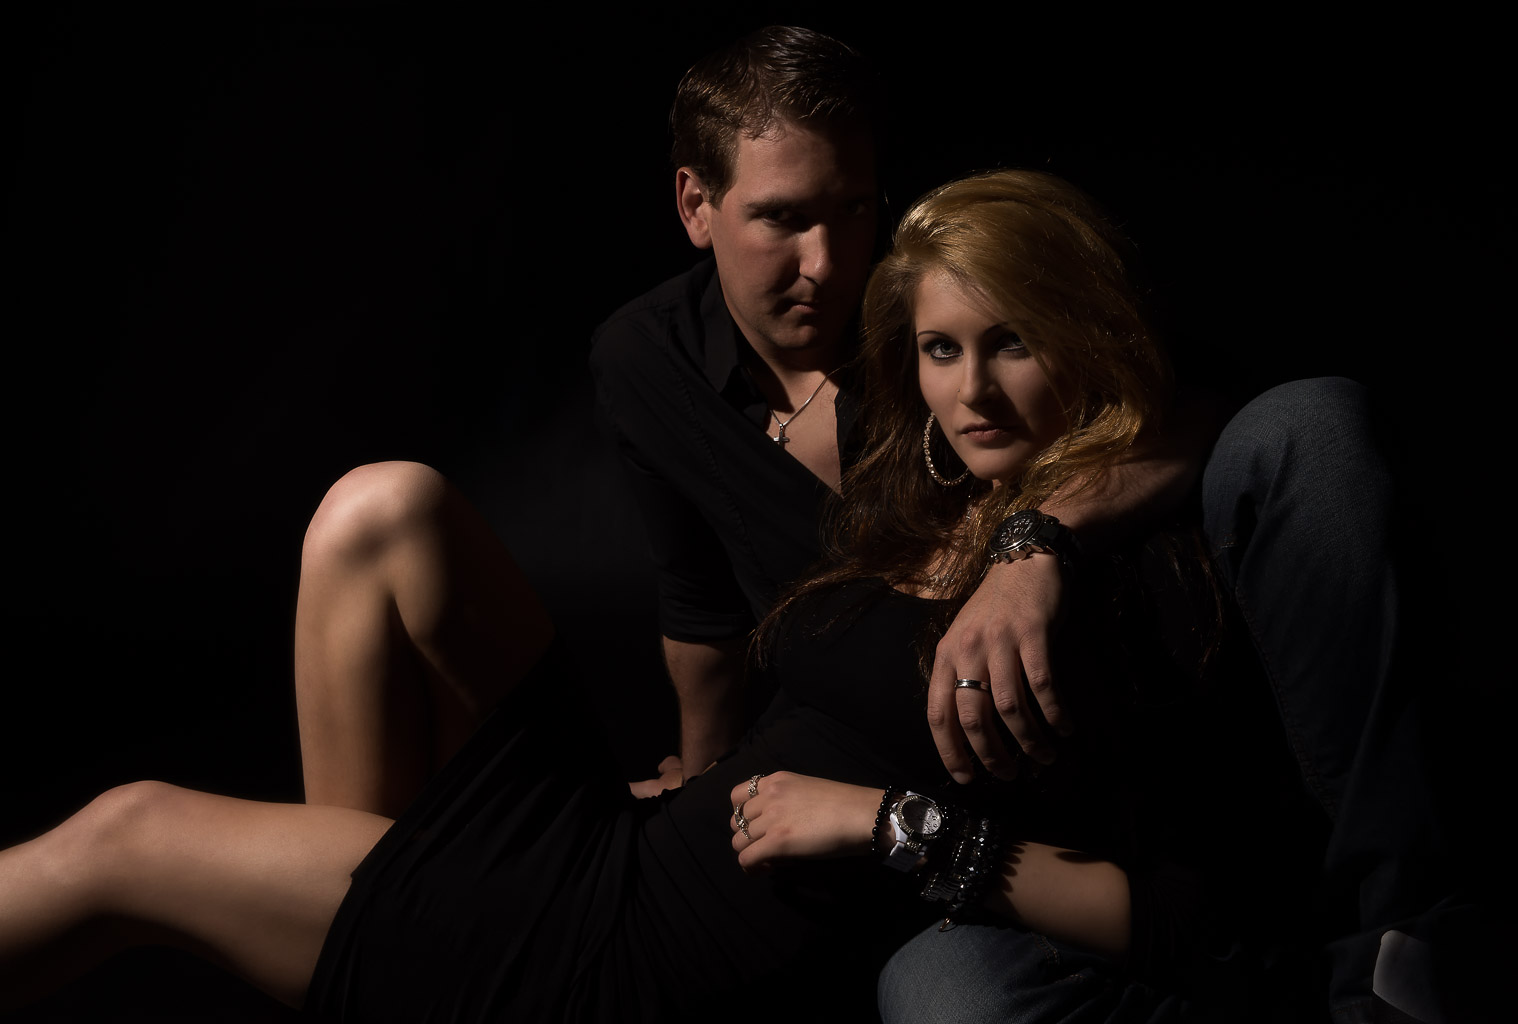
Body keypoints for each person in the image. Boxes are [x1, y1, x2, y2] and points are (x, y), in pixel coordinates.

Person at [0, 169, 1292, 1022]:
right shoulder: (949, 510)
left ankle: (394, 950)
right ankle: (394, 936)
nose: (971, 391)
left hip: (632, 973)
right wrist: (708, 776)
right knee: (378, 512)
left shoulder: (1131, 580)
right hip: (625, 857)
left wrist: (886, 824)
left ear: (1084, 341)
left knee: (127, 834)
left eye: (1012, 343)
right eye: (942, 349)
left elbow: (1187, 921)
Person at [588, 24, 1204, 788]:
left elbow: (1178, 413)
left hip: (1027, 743)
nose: (826, 264)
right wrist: (702, 777)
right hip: (824, 750)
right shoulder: (644, 360)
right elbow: (701, 606)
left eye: (852, 209)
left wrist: (1028, 549)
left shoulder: (939, 312)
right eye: (782, 218)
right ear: (695, 205)